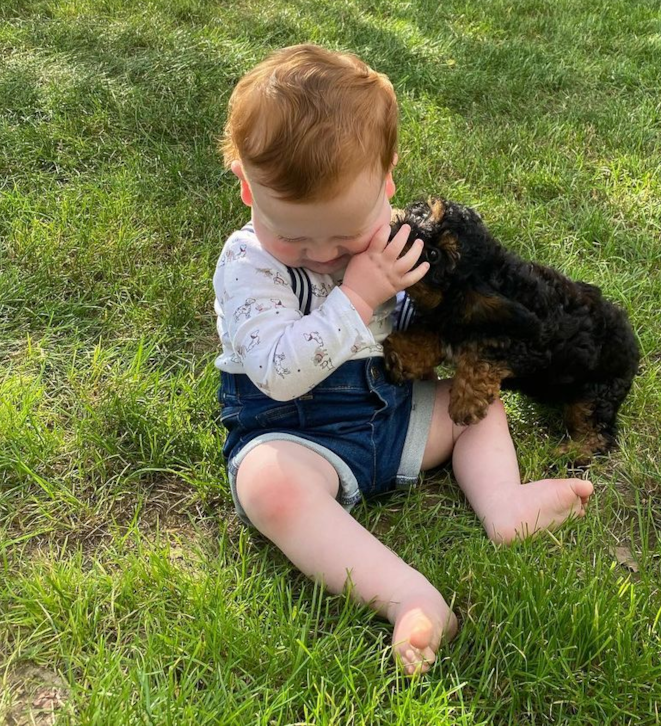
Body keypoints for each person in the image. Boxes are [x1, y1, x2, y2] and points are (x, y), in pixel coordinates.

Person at [214, 44, 593, 676]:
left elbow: (430, 328)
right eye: (295, 234)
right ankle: (408, 595)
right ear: (247, 188)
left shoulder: (396, 238)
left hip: (395, 420)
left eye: (344, 232)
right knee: (267, 487)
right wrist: (360, 294)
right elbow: (278, 372)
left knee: (477, 402)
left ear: (386, 182)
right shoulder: (248, 263)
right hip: (297, 436)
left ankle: (503, 503)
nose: (321, 253)